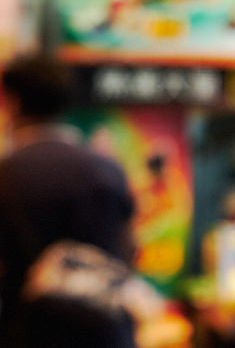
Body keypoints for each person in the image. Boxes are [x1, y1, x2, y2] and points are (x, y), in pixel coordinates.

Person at [0, 55, 137, 347]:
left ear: (12, 102)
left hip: (27, 333)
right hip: (105, 333)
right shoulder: (108, 170)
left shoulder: (7, 174)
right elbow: (130, 251)